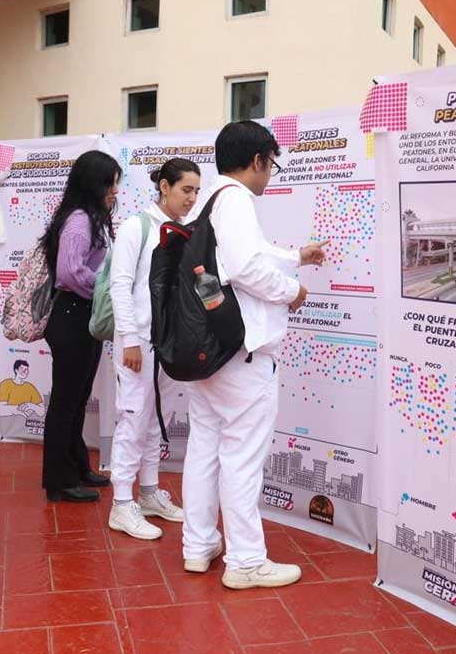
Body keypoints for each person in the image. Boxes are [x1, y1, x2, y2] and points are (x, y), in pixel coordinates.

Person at [181, 121, 327, 589]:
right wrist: (291, 291)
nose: (269, 175)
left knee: (204, 452)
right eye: (271, 165)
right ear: (259, 160)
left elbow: (248, 255)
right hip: (243, 355)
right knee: (242, 459)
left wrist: (297, 256)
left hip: (212, 353)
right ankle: (245, 562)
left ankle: (198, 545)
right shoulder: (238, 200)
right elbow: (246, 266)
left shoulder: (211, 199)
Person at [107, 158, 200, 539]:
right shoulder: (137, 226)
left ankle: (148, 494)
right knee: (132, 420)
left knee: (152, 421)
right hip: (138, 343)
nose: (191, 198)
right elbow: (120, 284)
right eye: (185, 190)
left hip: (168, 344)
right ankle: (121, 504)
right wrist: (130, 339)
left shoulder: (185, 231)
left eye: (196, 191)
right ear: (164, 187)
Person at [40, 150, 119, 502]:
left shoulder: (92, 218)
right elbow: (70, 273)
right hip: (72, 315)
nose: (115, 191)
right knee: (65, 402)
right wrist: (106, 290)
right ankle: (58, 481)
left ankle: (77, 466)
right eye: (109, 183)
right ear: (92, 184)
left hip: (85, 316)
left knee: (78, 398)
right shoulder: (78, 221)